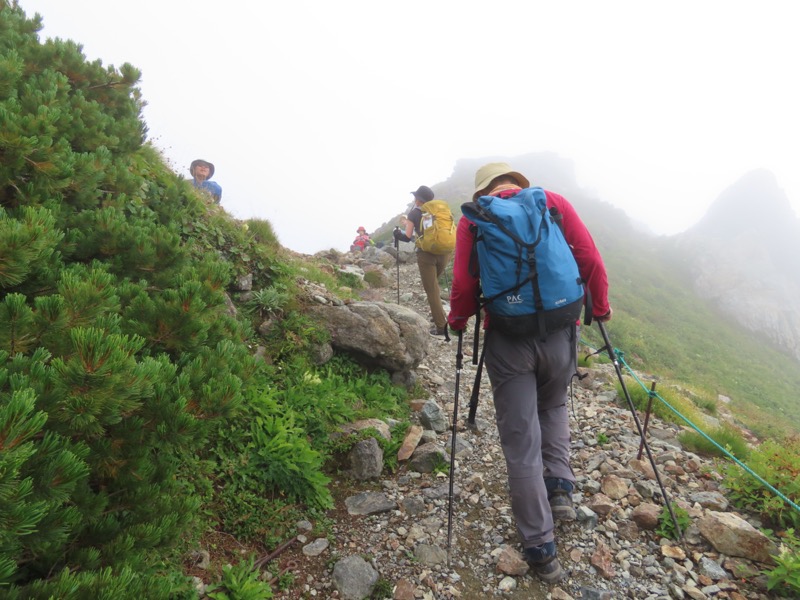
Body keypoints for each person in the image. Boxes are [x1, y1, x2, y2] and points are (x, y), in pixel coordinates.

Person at [447, 163, 612, 583]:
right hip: (562, 334)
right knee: (554, 406)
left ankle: (541, 548)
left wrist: (458, 320)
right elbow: (589, 258)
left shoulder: (475, 218)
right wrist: (601, 307)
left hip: (508, 340)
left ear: (485, 189)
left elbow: (465, 286)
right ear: (518, 185)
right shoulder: (551, 202)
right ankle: (560, 490)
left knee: (521, 439)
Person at [393, 185, 452, 336]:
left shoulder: (414, 213)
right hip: (444, 252)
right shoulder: (438, 211)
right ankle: (442, 316)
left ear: (418, 199)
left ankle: (441, 326)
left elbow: (407, 237)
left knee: (431, 290)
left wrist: (396, 234)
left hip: (426, 255)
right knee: (434, 286)